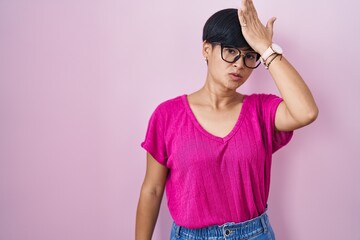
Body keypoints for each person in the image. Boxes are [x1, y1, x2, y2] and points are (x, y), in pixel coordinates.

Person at [135, 0, 318, 239]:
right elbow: (152, 189)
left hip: (254, 234)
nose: (239, 64)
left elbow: (306, 112)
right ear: (206, 49)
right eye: (230, 51)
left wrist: (265, 48)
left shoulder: (261, 110)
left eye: (249, 56)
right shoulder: (167, 116)